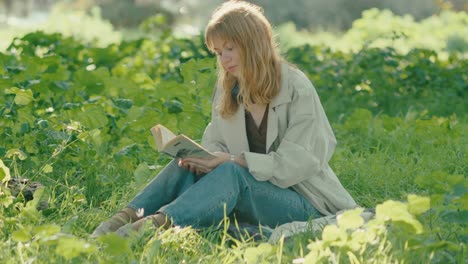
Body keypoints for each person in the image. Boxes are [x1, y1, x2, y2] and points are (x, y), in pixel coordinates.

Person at [92, 0, 357, 237]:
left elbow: (299, 162)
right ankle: (119, 221)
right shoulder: (229, 89)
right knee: (184, 164)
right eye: (219, 52)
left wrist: (233, 161)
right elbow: (216, 142)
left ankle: (150, 227)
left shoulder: (296, 87)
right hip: (249, 194)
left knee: (232, 172)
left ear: (253, 44)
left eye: (230, 48)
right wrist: (205, 159)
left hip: (303, 202)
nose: (224, 58)